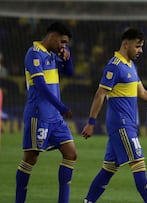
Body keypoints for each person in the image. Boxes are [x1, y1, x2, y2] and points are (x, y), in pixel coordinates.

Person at [81, 28, 147, 203]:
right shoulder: (114, 66)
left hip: (126, 124)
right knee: (138, 163)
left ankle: (88, 201)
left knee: (108, 168)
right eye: (138, 46)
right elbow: (100, 94)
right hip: (122, 124)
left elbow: (142, 93)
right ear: (126, 44)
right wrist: (91, 122)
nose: (141, 50)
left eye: (141, 47)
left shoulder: (130, 65)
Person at [16, 22, 76, 203]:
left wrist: (68, 58)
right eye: (62, 42)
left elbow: (70, 73)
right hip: (39, 114)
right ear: (52, 37)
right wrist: (62, 107)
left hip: (55, 118)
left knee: (71, 154)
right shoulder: (34, 53)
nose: (63, 46)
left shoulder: (51, 55)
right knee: (31, 158)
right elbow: (40, 86)